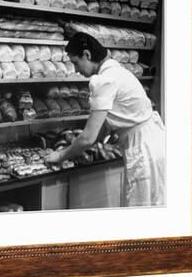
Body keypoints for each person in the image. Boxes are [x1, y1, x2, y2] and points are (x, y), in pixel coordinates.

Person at [46, 32, 166, 207]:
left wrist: (60, 156)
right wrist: (88, 144)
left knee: (142, 212)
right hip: (153, 141)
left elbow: (88, 138)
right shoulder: (117, 72)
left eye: (76, 63)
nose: (76, 70)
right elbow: (102, 128)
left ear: (87, 55)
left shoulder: (104, 80)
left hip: (143, 148)